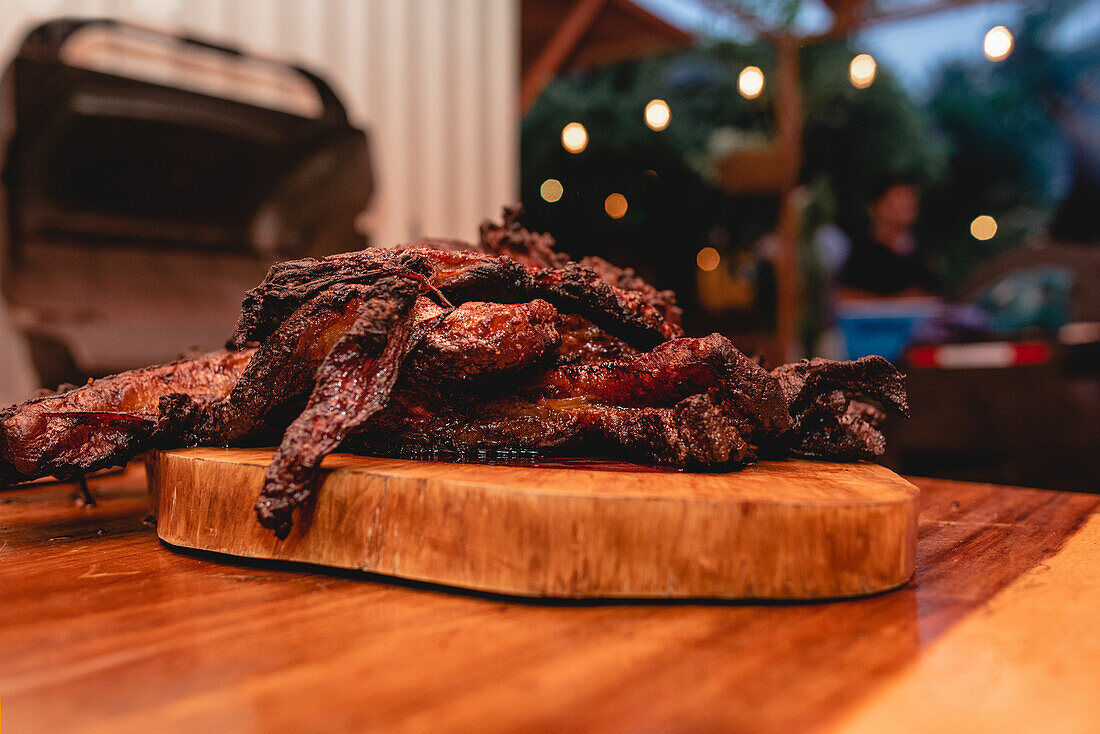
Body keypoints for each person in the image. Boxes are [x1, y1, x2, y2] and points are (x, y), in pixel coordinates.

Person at [839, 178, 935, 296]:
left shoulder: (917, 251)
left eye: (910, 196)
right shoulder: (861, 253)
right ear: (877, 206)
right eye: (899, 196)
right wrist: (898, 301)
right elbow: (845, 296)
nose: (907, 202)